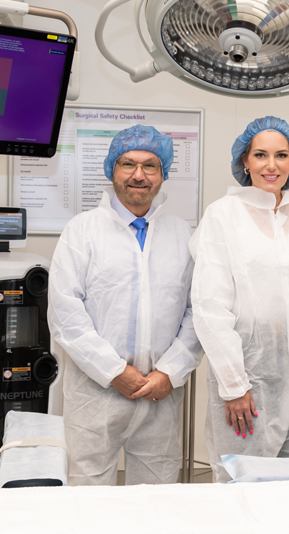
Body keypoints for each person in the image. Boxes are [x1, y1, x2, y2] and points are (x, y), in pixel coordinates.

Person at [48, 125, 203, 486]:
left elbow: (199, 311)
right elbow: (65, 313)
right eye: (127, 164)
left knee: (156, 496)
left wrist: (171, 371)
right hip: (96, 391)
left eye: (150, 166)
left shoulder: (182, 234)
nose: (138, 175)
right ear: (111, 170)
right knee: (87, 491)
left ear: (163, 174)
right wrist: (114, 370)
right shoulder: (82, 230)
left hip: (160, 392)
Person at [190, 116, 289, 482]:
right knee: (242, 480)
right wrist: (234, 384)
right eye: (260, 155)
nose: (271, 165)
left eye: (281, 155)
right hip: (248, 380)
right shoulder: (223, 214)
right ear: (244, 162)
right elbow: (209, 307)